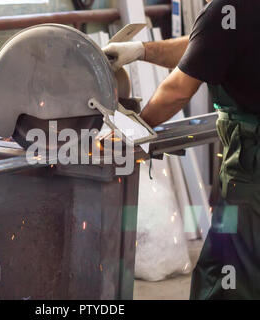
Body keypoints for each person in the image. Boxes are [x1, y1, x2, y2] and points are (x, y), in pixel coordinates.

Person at [103, 0, 260, 299]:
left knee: (228, 277)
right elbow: (207, 47)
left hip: (251, 165)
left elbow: (177, 90)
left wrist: (133, 130)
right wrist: (141, 51)